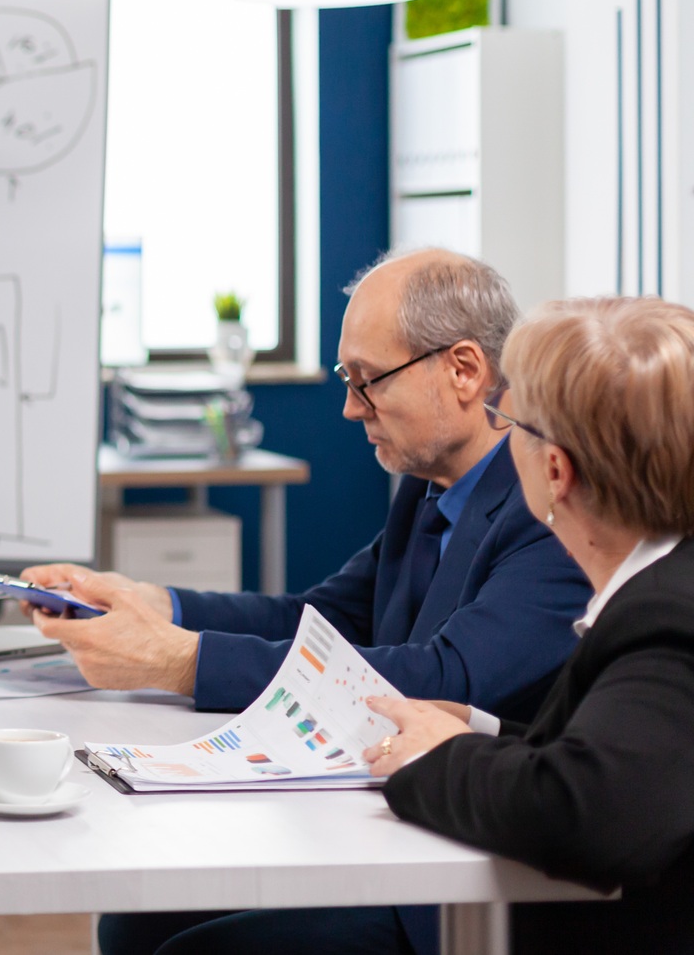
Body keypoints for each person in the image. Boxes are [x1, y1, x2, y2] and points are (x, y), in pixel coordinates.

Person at [38, 249, 592, 955]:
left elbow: (442, 680)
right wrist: (157, 603)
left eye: (369, 380)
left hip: (468, 881)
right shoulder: (430, 488)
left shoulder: (552, 513)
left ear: (464, 370)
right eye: (345, 378)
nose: (350, 406)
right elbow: (319, 618)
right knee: (131, 922)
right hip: (383, 828)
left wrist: (180, 661)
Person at [365, 297, 694, 954]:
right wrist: (479, 730)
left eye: (509, 419)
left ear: (554, 470)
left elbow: (589, 810)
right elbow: (627, 756)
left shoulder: (665, 617)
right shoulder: (662, 587)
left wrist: (437, 756)